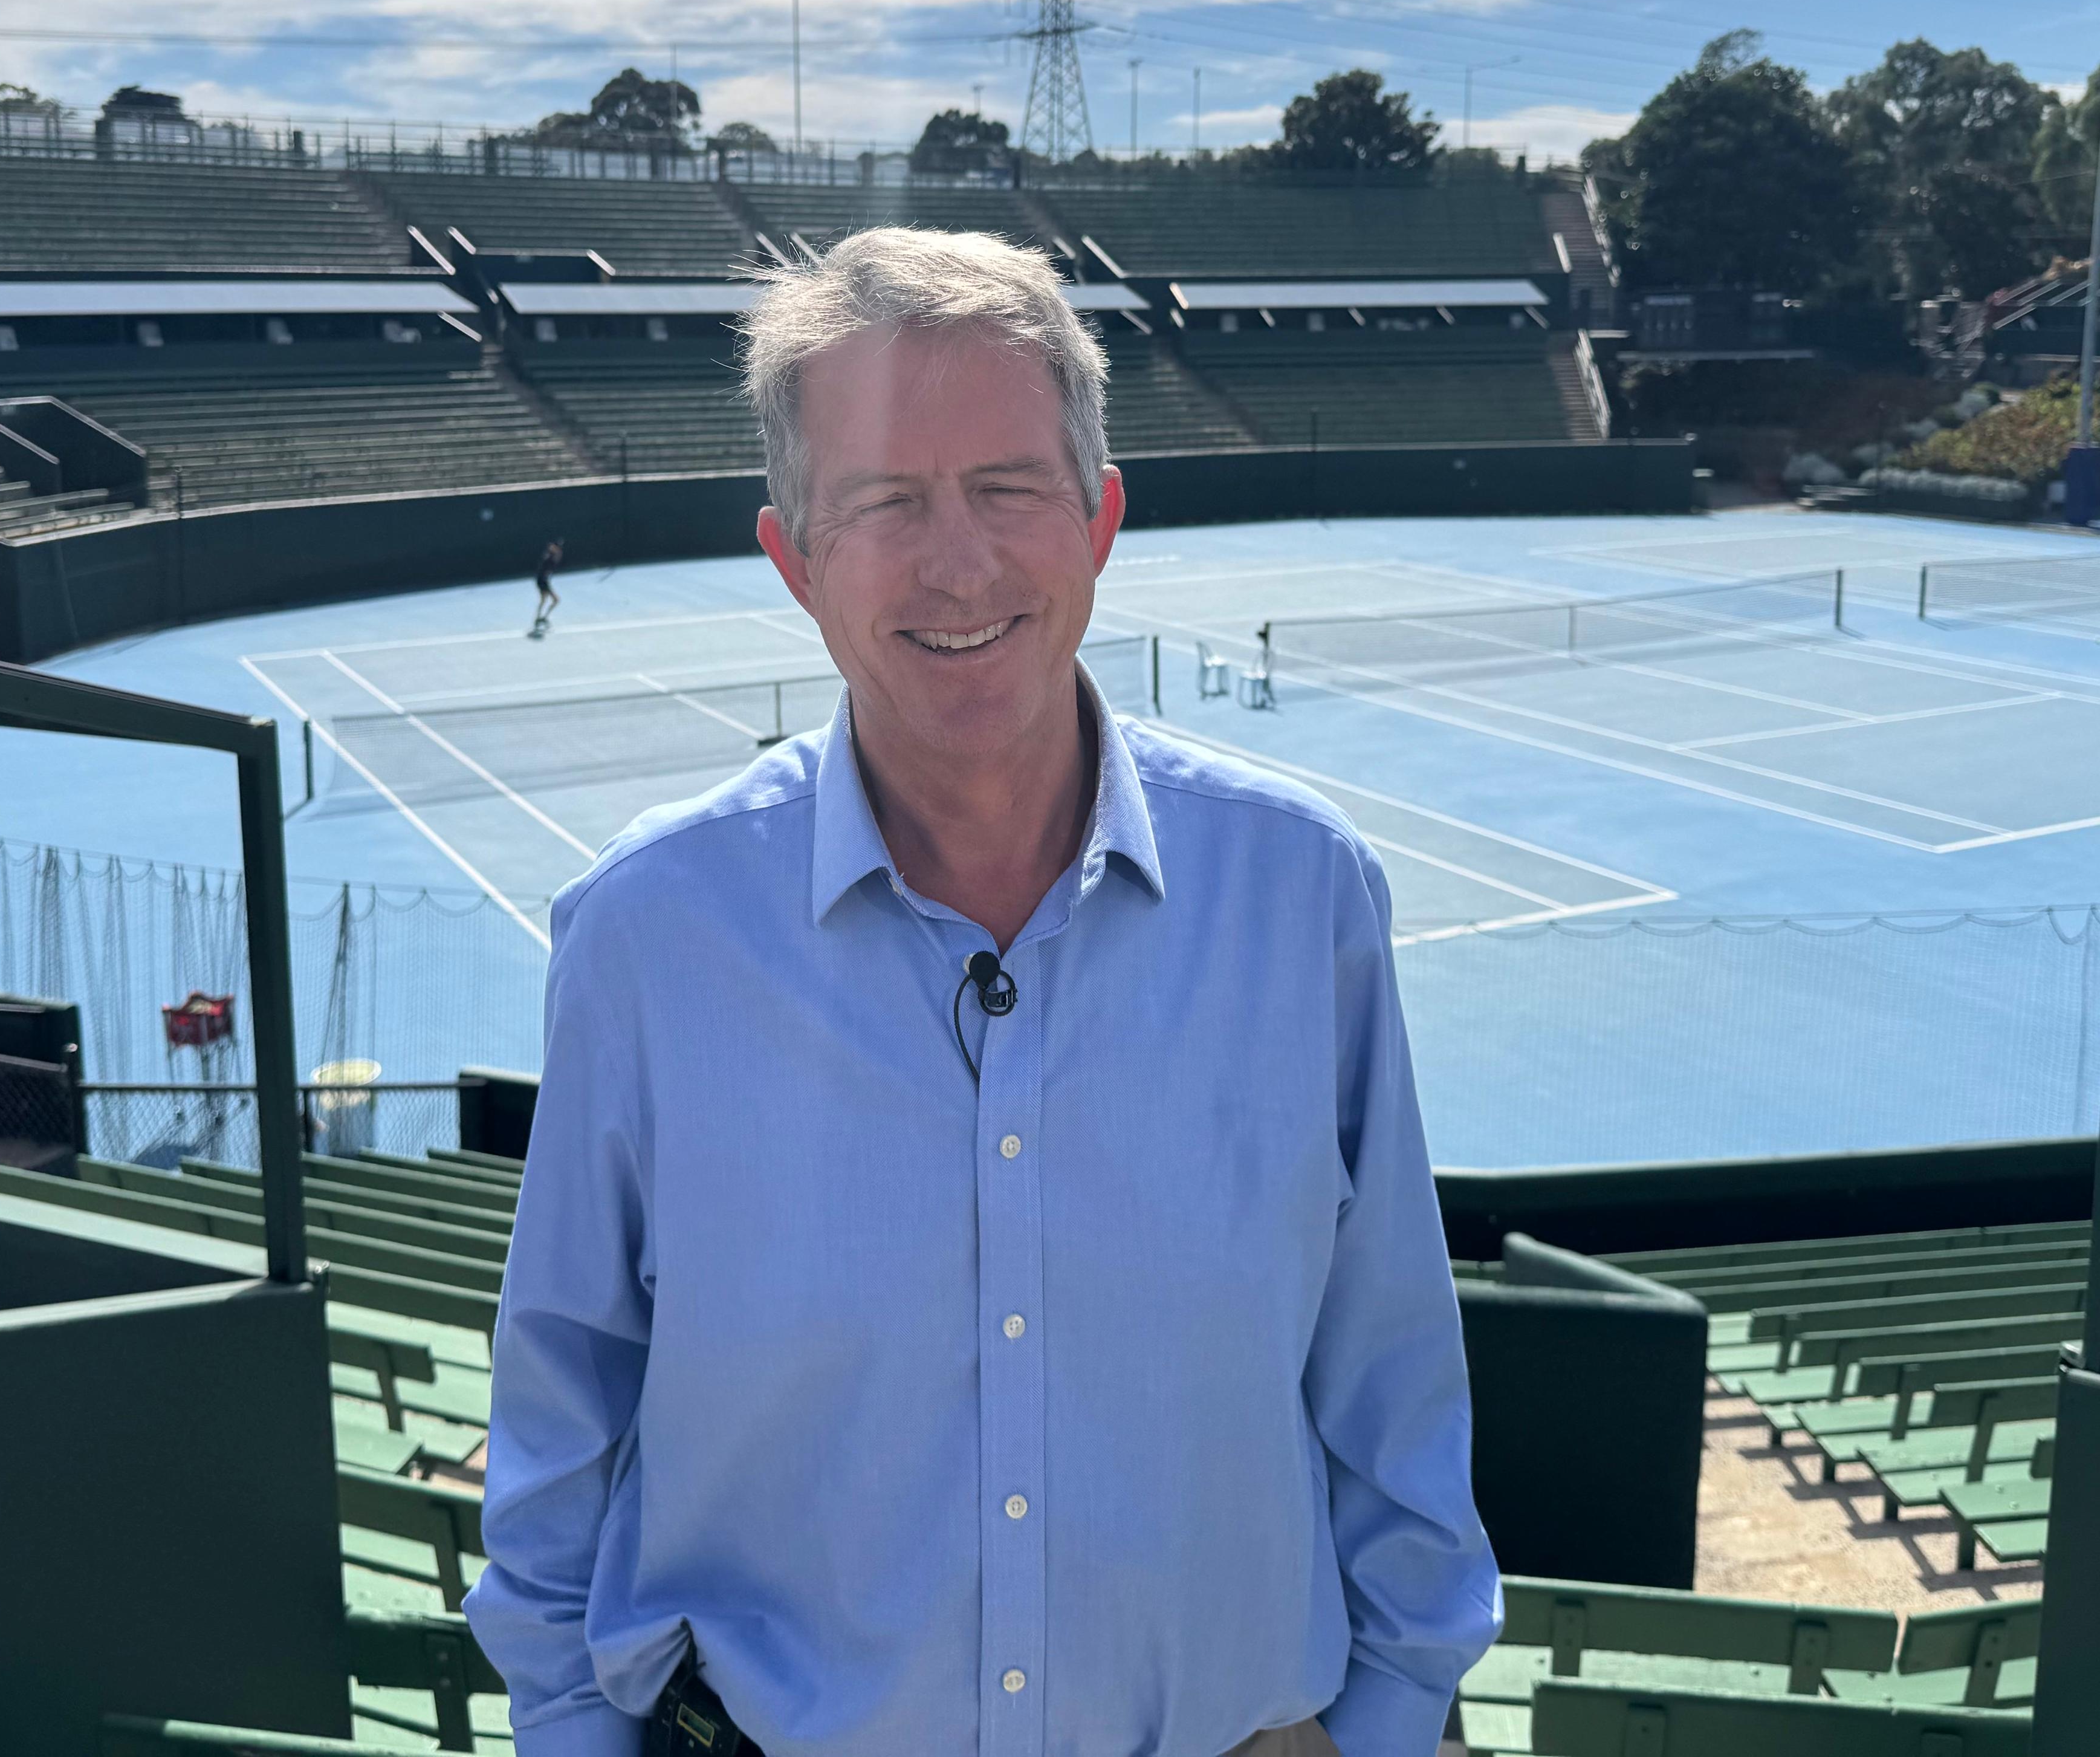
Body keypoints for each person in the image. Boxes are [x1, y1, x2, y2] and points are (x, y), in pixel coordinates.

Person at [467, 229, 1496, 1757]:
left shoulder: (1304, 895)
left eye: (1007, 485)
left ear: (1099, 520)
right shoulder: (644, 935)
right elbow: (563, 1406)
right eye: (885, 499)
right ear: (795, 556)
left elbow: (1390, 1363)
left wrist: (1394, 1715)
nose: (957, 561)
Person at [531, 539, 564, 637]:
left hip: (543, 581)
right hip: (542, 581)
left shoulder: (555, 556)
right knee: (556, 600)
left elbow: (558, 555)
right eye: (553, 547)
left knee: (544, 600)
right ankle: (542, 618)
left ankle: (539, 618)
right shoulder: (549, 557)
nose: (555, 548)